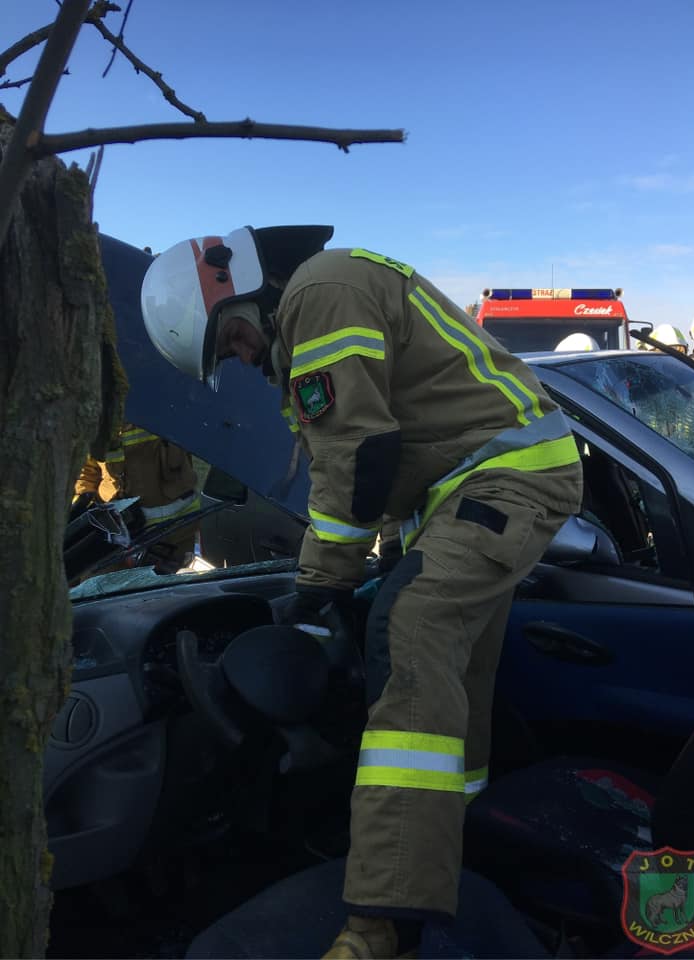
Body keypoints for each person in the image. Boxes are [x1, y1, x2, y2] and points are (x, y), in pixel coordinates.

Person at [141, 226, 583, 959]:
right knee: (453, 669)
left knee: (410, 628)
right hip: (471, 488)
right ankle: (454, 846)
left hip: (502, 477)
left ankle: (385, 920)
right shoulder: (315, 310)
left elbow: (357, 456)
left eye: (233, 342)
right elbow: (352, 466)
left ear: (235, 286)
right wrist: (333, 578)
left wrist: (320, 584)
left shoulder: (319, 292)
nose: (242, 360)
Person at [73, 422, 201, 572]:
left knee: (172, 588)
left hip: (176, 534)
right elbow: (85, 472)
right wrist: (82, 506)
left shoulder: (170, 413)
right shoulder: (96, 421)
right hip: (118, 537)